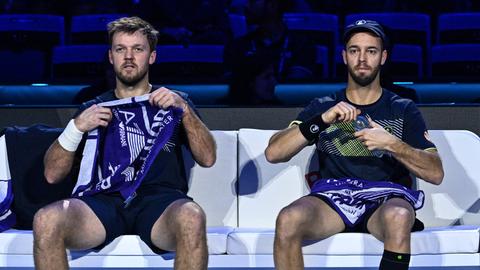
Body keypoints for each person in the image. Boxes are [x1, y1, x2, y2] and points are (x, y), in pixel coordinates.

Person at [32, 17, 216, 270]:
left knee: (192, 217)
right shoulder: (93, 108)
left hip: (160, 201)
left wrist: (184, 110)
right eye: (121, 49)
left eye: (138, 49)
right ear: (111, 56)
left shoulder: (176, 102)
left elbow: (208, 158)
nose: (128, 57)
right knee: (46, 219)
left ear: (151, 57)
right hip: (103, 202)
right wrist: (75, 127)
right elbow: (52, 174)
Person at [264, 20, 444, 270]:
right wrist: (323, 119)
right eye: (354, 50)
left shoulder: (403, 109)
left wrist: (392, 143)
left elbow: (435, 173)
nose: (362, 58)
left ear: (383, 57)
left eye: (371, 51)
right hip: (332, 198)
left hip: (385, 198)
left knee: (400, 215)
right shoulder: (324, 105)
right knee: (288, 218)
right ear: (344, 56)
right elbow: (273, 153)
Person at [223, 0, 315, 105]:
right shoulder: (238, 46)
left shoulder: (301, 45)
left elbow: (297, 91)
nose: (246, 6)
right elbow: (234, 90)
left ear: (272, 4)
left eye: (252, 2)